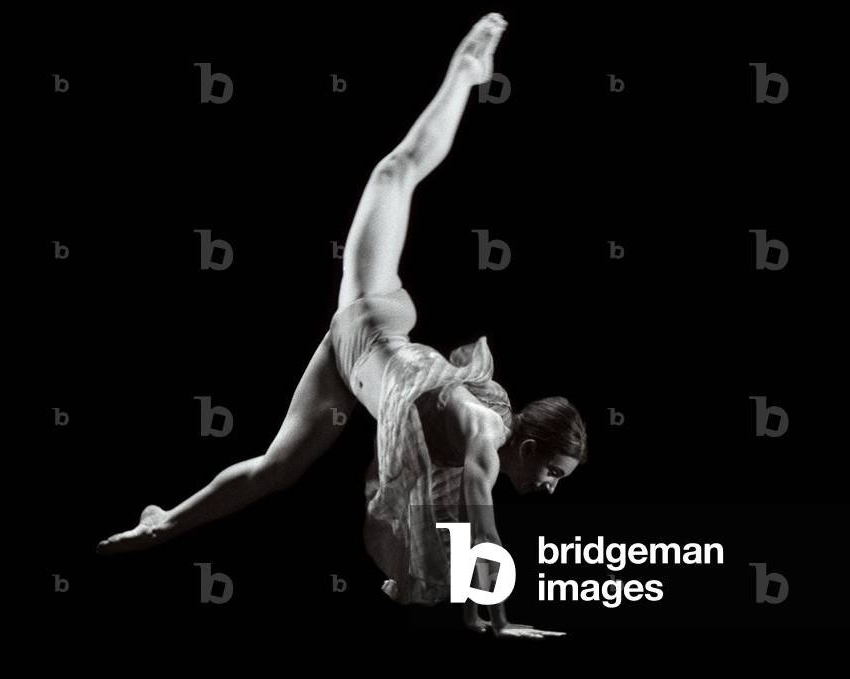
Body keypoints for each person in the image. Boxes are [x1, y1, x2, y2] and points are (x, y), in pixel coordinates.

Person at [97, 12, 586, 640]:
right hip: (371, 323)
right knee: (394, 172)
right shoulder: (483, 436)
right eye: (552, 474)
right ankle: (466, 70)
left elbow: (468, 532)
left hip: (347, 361)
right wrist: (499, 621)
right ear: (529, 447)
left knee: (276, 469)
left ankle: (161, 524)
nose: (548, 489)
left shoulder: (477, 453)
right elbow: (483, 528)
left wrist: (479, 618)